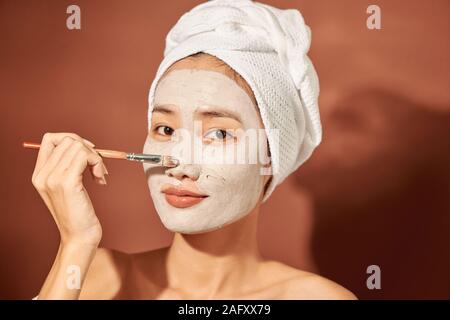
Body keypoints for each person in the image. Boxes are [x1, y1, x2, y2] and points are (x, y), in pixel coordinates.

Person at [31, 0, 356, 299]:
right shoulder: (94, 277)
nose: (179, 163)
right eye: (166, 129)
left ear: (270, 157)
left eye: (218, 133)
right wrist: (75, 242)